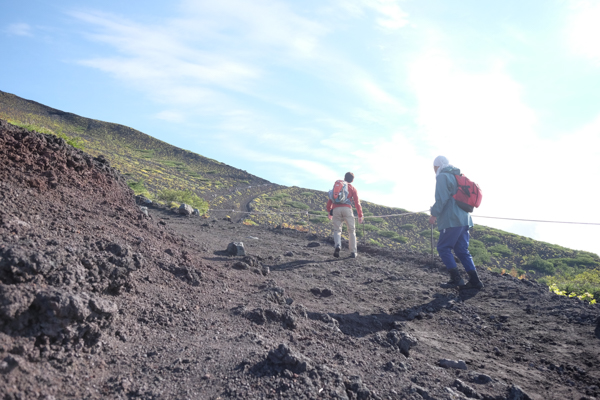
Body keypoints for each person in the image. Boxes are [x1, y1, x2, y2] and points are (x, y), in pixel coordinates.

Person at [429, 156, 483, 289]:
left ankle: (456, 278)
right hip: (465, 219)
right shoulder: (458, 175)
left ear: (438, 166)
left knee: (443, 247)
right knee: (461, 250)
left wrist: (434, 214)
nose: (434, 169)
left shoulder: (442, 177)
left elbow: (442, 199)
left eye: (434, 167)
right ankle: (475, 280)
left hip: (451, 219)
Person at [327, 172, 364, 258]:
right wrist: (360, 215)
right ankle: (353, 252)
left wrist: (329, 211)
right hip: (347, 209)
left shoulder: (337, 187)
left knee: (337, 230)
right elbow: (357, 203)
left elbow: (330, 200)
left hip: (336, 209)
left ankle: (338, 246)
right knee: (351, 230)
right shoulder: (352, 188)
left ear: (344, 178)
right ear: (352, 180)